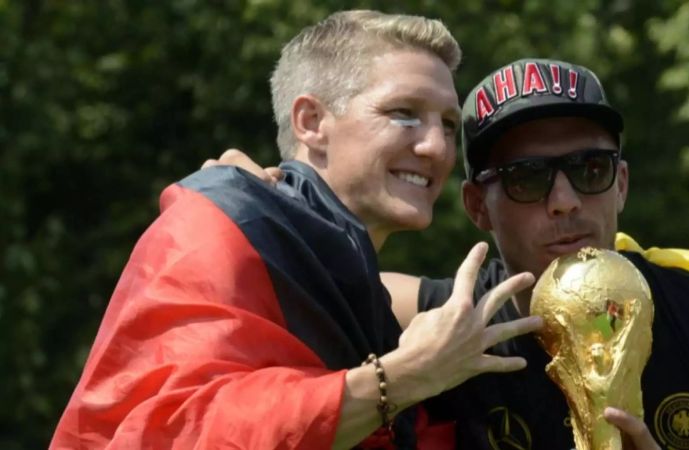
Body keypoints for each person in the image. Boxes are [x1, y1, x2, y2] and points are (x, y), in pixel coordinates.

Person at [215, 57, 689, 449]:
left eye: (590, 169)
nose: (566, 201)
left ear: (621, 184)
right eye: (527, 178)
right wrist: (247, 199)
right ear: (477, 207)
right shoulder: (444, 320)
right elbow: (273, 290)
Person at [50, 11, 547, 450]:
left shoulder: (368, 298)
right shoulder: (219, 227)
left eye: (445, 123)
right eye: (404, 115)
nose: (436, 148)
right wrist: (401, 378)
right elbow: (171, 433)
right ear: (311, 122)